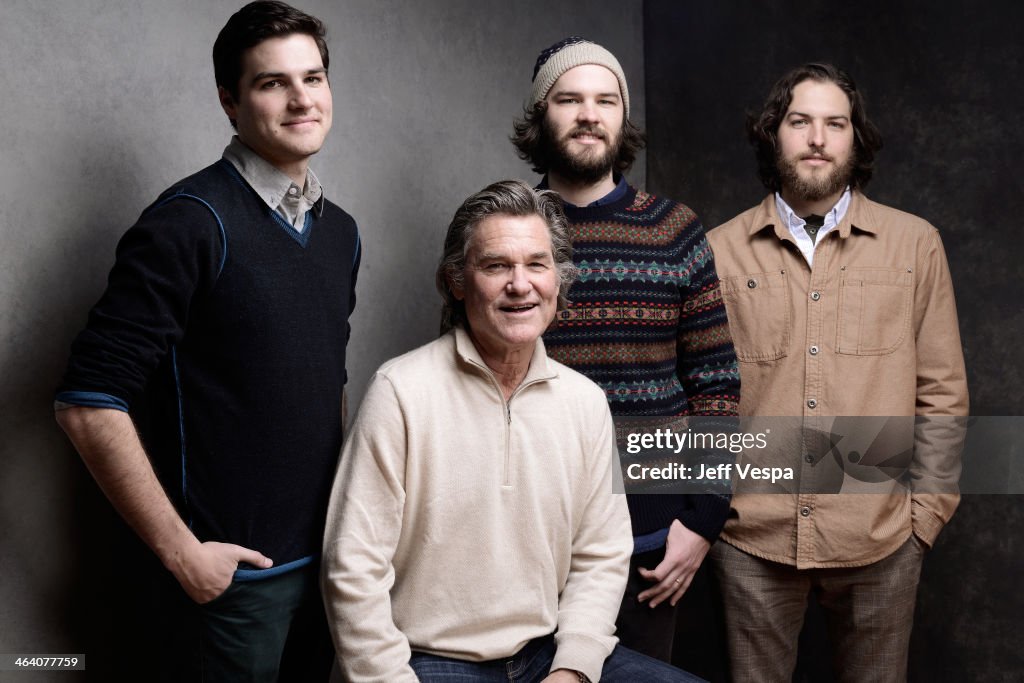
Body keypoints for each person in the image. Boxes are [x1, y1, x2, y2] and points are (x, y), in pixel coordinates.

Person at [54, 2, 359, 680]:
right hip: (231, 588)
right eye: (272, 82)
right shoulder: (189, 223)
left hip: (325, 570)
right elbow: (86, 401)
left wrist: (346, 535)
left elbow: (324, 382)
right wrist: (183, 553)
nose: (301, 97)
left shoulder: (341, 232)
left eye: (313, 77)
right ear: (229, 100)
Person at [322, 180, 701, 683]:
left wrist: (573, 669)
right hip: (426, 660)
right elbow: (352, 566)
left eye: (536, 264)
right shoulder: (400, 390)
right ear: (457, 282)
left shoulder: (584, 402)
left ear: (558, 280)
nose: (520, 284)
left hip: (546, 655)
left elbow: (601, 556)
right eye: (496, 265)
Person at [706, 63, 968, 682]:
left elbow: (942, 389)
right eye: (800, 122)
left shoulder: (914, 245)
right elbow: (702, 395)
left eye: (835, 123)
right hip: (752, 541)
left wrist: (921, 518)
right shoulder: (718, 250)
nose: (818, 138)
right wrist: (714, 519)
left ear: (855, 138)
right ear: (775, 135)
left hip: (881, 540)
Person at [510, 37, 741, 662]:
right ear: (541, 115)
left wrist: (702, 521)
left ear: (622, 116)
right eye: (569, 99)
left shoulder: (674, 229)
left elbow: (716, 384)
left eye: (605, 100)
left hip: (652, 539)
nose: (589, 113)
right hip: (529, 532)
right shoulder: (506, 230)